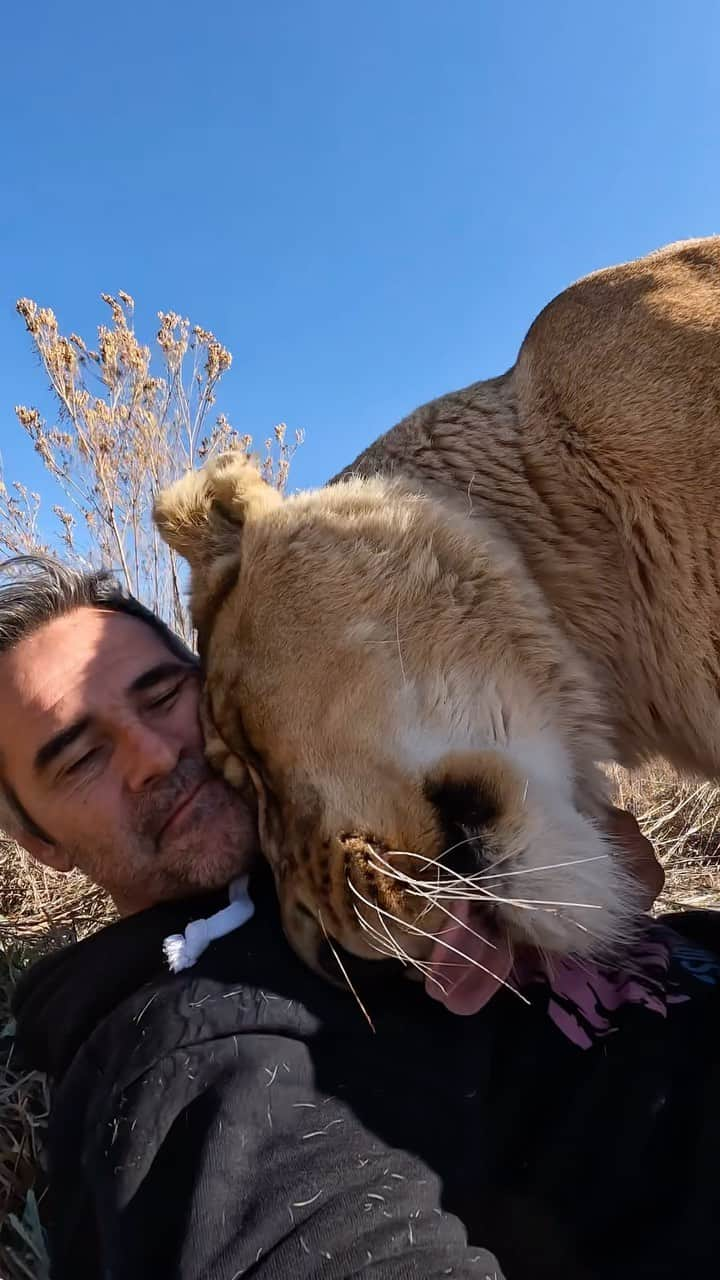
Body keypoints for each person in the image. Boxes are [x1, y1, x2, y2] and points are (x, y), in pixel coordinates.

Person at [3, 554, 720, 1279]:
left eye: (162, 696)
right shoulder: (191, 1048)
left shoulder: (367, 798)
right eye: (82, 758)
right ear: (40, 842)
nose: (155, 755)